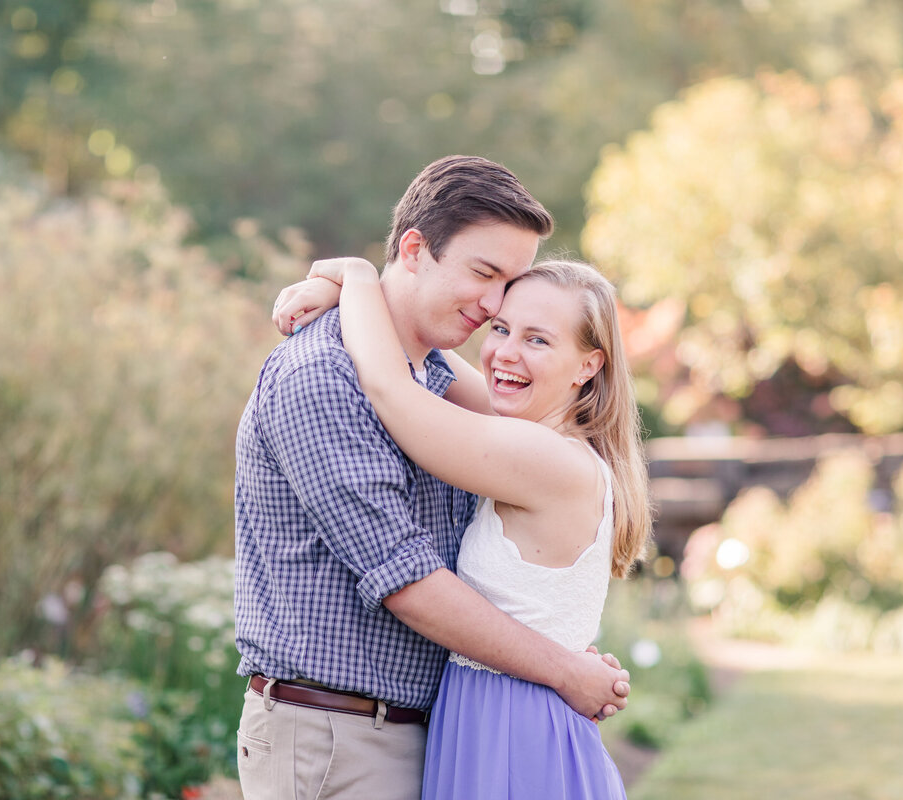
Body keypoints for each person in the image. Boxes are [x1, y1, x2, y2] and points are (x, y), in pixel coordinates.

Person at [233, 155, 631, 800]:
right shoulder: (321, 378)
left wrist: (354, 282)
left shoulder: (440, 383)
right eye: (485, 275)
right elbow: (405, 578)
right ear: (415, 248)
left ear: (590, 364)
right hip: (337, 736)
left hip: (434, 733)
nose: (495, 305)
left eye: (511, 284)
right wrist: (564, 670)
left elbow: (398, 378)